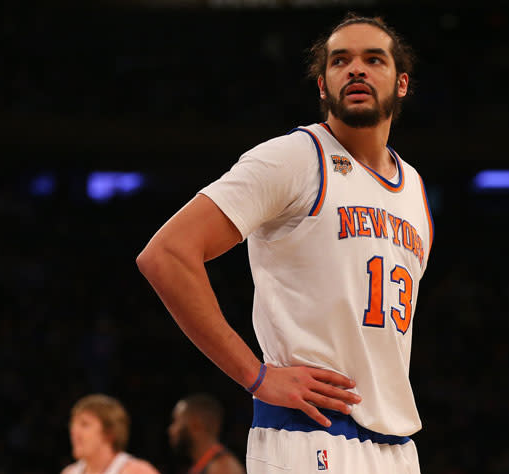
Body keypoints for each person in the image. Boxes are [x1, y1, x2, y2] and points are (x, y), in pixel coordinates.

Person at [137, 11, 434, 474]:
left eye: (374, 59)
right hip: (309, 433)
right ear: (322, 86)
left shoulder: (414, 188)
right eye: (340, 61)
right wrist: (256, 376)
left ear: (401, 83)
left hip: (395, 446)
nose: (356, 69)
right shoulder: (296, 158)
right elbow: (166, 254)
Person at [61, 393, 160, 474]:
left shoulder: (137, 471)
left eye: (85, 424)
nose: (73, 431)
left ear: (109, 433)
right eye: (73, 425)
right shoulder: (70, 472)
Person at [168, 393, 245, 474]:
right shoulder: (204, 465)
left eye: (175, 421)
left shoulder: (222, 467)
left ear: (195, 425)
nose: (171, 430)